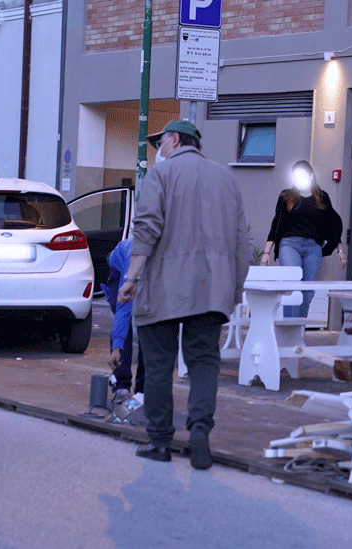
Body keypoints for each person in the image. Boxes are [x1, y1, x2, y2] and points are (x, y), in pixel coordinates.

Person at [117, 119, 248, 470]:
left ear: (174, 140)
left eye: (159, 142)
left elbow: (147, 229)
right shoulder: (226, 179)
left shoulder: (161, 176)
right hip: (212, 290)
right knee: (204, 362)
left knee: (159, 364)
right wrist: (233, 291)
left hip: (163, 288)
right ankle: (200, 429)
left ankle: (159, 441)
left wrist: (130, 278)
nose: (157, 150)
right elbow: (242, 244)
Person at [259, 160, 346, 318]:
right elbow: (276, 223)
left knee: (307, 292)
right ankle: (288, 333)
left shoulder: (322, 197)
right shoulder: (286, 196)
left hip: (313, 248)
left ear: (311, 176)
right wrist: (266, 252)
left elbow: (333, 224)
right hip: (289, 245)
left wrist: (340, 249)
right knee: (293, 287)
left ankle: (298, 331)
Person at [101, 237, 145, 411]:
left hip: (147, 275)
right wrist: (117, 348)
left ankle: (143, 390)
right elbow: (123, 308)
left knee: (149, 325)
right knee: (125, 323)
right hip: (119, 271)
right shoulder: (132, 257)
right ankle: (121, 386)